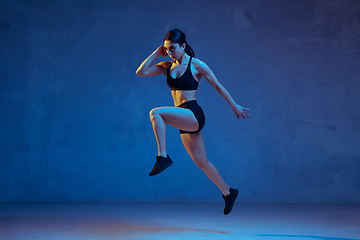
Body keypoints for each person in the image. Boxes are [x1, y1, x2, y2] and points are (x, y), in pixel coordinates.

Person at [136, 28, 250, 215]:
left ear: (183, 46)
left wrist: (234, 105)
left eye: (172, 48)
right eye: (166, 49)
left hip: (193, 114)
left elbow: (218, 85)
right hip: (182, 118)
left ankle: (162, 156)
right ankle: (228, 192)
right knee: (201, 162)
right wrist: (157, 53)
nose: (169, 52)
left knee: (156, 113)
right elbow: (141, 72)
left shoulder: (196, 65)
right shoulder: (167, 66)